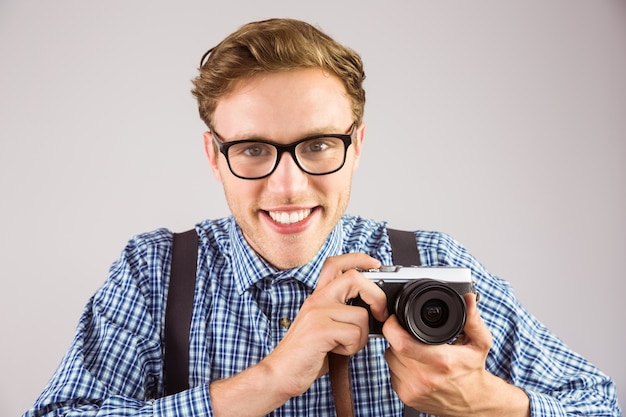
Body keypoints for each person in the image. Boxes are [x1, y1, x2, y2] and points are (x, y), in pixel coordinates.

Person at [23, 18, 621, 417]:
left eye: (316, 146)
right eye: (254, 149)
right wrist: (269, 380)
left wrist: (485, 400)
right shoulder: (153, 274)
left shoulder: (430, 264)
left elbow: (599, 403)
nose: (288, 187)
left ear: (356, 146)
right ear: (215, 156)